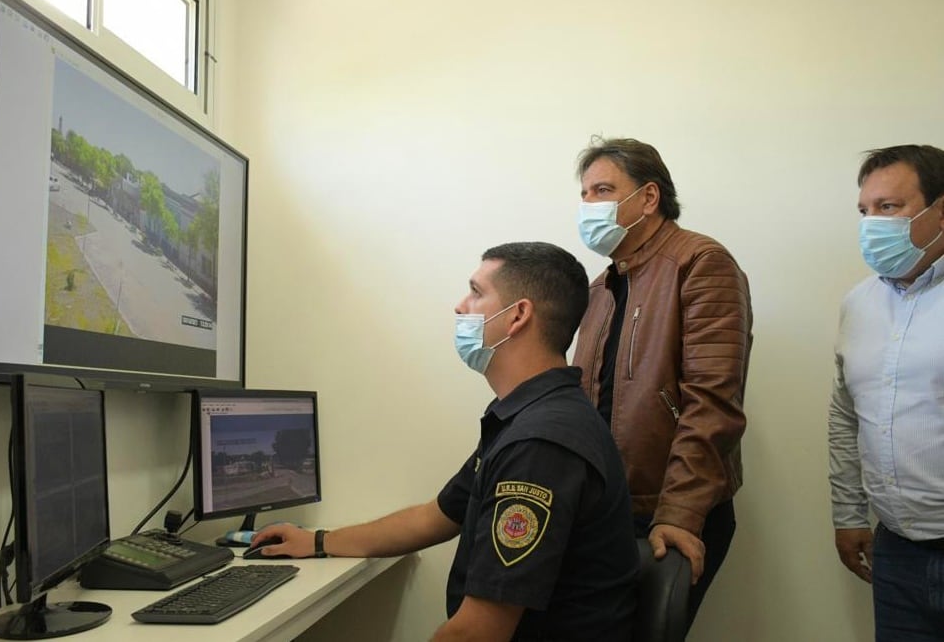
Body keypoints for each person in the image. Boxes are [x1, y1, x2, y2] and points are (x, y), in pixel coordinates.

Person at [252, 242, 639, 641]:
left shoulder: (541, 442)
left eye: (476, 291)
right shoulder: (526, 416)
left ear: (518, 315)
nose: (460, 306)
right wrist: (318, 541)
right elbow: (433, 517)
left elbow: (475, 634)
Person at [572, 137, 752, 628]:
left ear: (648, 198)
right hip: (610, 512)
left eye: (603, 190)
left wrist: (679, 512)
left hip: (669, 511)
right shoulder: (601, 286)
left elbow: (713, 402)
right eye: (584, 194)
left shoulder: (700, 262)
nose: (588, 205)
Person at [828, 144, 944, 641]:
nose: (872, 223)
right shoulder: (859, 304)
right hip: (895, 549)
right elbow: (845, 417)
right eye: (864, 210)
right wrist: (849, 514)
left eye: (889, 208)